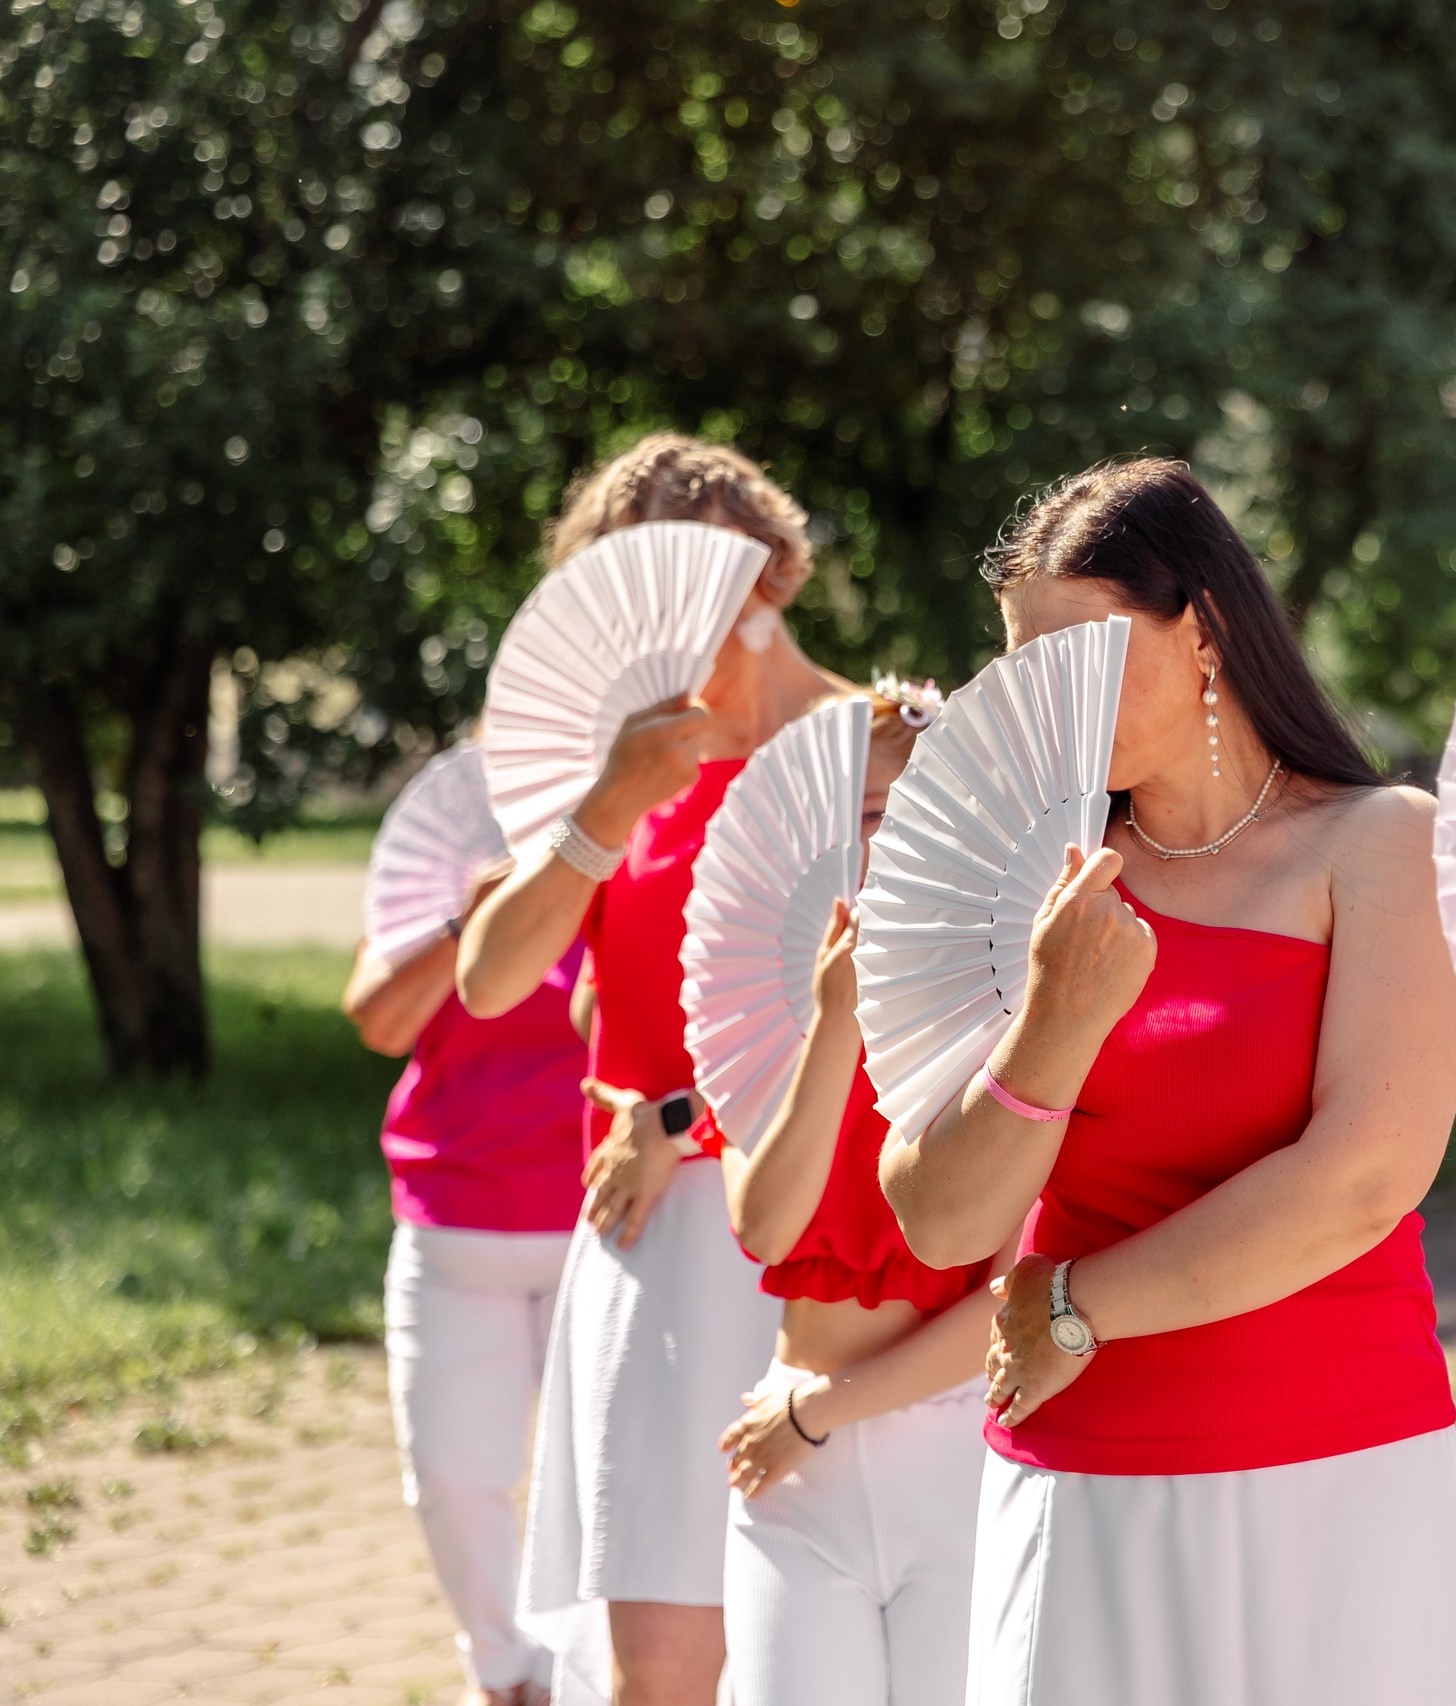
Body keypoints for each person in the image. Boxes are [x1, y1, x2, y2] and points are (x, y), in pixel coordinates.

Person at [878, 459, 1456, 1706]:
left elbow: (1365, 1179)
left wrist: (1073, 1308)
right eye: (1023, 662)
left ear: (1203, 627)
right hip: (1081, 1476)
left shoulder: (1380, 842)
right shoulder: (1023, 878)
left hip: (1336, 1469)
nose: (1043, 697)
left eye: (1083, 653)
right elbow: (941, 1217)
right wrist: (1055, 1017)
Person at [457, 434, 847, 1706]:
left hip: (832, 1242)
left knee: (827, 1650)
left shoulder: (880, 746)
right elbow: (491, 977)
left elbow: (908, 1013)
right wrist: (608, 807)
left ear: (770, 576)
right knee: (660, 1669)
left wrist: (679, 1111)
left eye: (686, 584)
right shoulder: (617, 765)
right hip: (659, 1251)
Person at [713, 681, 997, 1706]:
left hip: (953, 1444)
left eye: (914, 813)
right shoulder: (757, 1007)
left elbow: (1013, 1289)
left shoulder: (1004, 1015)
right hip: (790, 1456)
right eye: (868, 815)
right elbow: (763, 1222)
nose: (884, 842)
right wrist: (834, 1020)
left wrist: (830, 1408)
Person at [343, 863, 584, 1706]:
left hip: (602, 1226)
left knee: (594, 1479)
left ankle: (578, 1668)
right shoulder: (439, 859)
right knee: (449, 1474)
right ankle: (502, 1670)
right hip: (449, 1224)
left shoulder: (639, 845)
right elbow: (378, 1019)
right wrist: (468, 926)